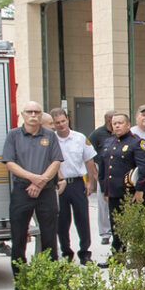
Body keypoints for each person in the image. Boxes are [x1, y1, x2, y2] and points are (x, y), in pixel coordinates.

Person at [2, 101, 63, 280]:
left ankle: (49, 276)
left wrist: (41, 182)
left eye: (37, 112)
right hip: (22, 190)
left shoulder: (50, 135)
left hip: (46, 191)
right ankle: (21, 278)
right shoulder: (13, 135)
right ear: (23, 114)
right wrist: (33, 178)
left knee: (49, 235)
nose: (33, 115)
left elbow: (56, 161)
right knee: (19, 236)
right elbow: (9, 163)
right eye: (30, 112)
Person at [97, 111, 145, 254]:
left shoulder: (137, 142)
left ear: (128, 125)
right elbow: (103, 168)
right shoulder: (108, 142)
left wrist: (140, 190)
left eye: (120, 123)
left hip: (131, 193)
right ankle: (118, 256)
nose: (117, 126)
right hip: (114, 192)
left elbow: (144, 168)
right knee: (116, 225)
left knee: (135, 226)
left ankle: (138, 257)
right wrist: (105, 190)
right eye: (114, 123)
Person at [49, 108, 98, 262]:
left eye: (63, 121)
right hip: (60, 185)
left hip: (78, 183)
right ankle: (66, 252)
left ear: (68, 119)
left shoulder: (79, 138)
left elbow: (89, 161)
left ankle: (84, 252)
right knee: (62, 221)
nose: (61, 125)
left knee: (82, 219)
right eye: (57, 123)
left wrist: (90, 182)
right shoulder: (51, 139)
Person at [89, 112, 117, 253]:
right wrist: (94, 176)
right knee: (103, 202)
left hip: (118, 170)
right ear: (108, 120)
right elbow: (89, 155)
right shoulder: (97, 134)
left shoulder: (121, 133)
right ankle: (105, 233)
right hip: (103, 170)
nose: (116, 123)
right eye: (114, 121)